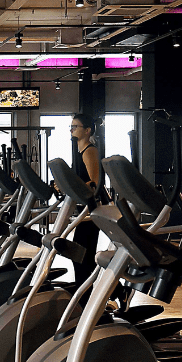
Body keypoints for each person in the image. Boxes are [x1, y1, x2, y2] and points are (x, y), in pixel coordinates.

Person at [69, 113, 103, 282]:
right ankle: (84, 297)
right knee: (82, 257)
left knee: (81, 256)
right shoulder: (80, 151)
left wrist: (71, 185)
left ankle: (85, 298)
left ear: (88, 130)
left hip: (91, 209)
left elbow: (94, 183)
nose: (72, 129)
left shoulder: (90, 151)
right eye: (71, 126)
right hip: (83, 209)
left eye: (76, 126)